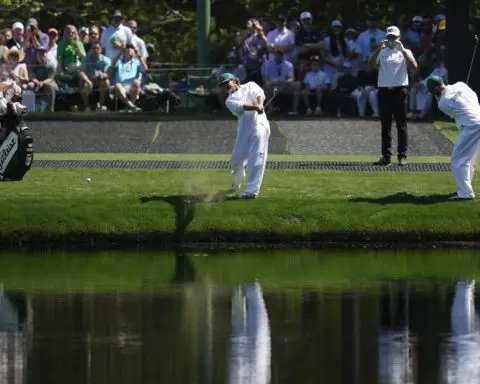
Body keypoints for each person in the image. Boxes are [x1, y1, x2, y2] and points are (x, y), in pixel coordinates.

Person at [369, 25, 417, 166]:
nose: (392, 40)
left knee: (401, 125)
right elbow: (369, 66)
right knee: (385, 125)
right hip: (384, 90)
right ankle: (386, 156)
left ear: (399, 38)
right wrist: (378, 49)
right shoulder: (382, 52)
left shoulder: (405, 51)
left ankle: (402, 156)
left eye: (394, 37)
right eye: (389, 37)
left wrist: (402, 50)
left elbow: (414, 66)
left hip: (399, 90)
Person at [427, 76, 480, 200]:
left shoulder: (442, 103)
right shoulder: (460, 84)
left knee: (457, 159)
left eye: (432, 91)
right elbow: (473, 95)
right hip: (477, 119)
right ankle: (466, 188)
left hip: (471, 126)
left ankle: (466, 194)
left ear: (435, 88)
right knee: (469, 158)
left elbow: (450, 110)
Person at [218, 72, 270, 199]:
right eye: (223, 85)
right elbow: (243, 107)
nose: (226, 87)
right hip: (244, 129)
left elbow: (259, 95)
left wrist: (260, 104)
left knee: (256, 158)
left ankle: (251, 191)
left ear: (235, 80)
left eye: (227, 83)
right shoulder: (229, 100)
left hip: (259, 125)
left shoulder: (251, 85)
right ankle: (236, 183)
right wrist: (255, 107)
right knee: (237, 160)